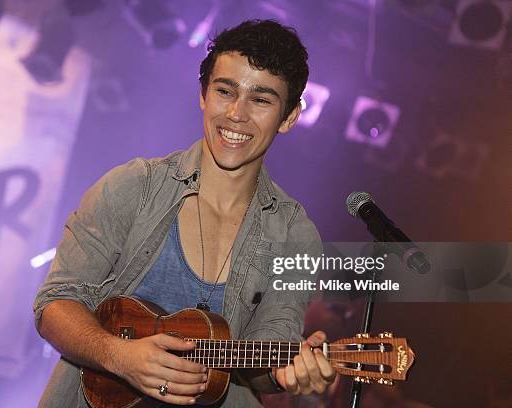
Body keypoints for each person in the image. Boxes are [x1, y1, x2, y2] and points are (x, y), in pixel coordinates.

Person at [34, 19, 335, 407]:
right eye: (226, 91)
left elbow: (268, 355)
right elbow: (54, 304)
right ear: (203, 95)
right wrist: (119, 356)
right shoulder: (133, 187)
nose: (237, 114)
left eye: (260, 100)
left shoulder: (294, 234)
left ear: (290, 117)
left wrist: (289, 372)